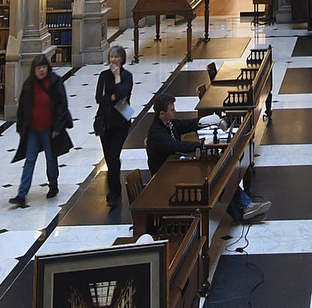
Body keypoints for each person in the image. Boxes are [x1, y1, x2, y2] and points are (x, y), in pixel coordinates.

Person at [146, 94, 271, 222]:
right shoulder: (156, 133)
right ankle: (244, 210)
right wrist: (201, 145)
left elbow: (188, 124)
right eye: (172, 110)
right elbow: (176, 145)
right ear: (162, 114)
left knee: (220, 176)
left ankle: (245, 208)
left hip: (176, 167)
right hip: (165, 177)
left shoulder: (169, 124)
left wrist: (211, 120)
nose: (175, 112)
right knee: (213, 180)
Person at [10, 54, 72, 205]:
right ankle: (22, 193)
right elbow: (23, 107)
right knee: (30, 159)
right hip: (33, 129)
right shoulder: (28, 84)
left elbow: (62, 105)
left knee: (51, 158)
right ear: (34, 70)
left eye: (44, 67)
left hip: (49, 128)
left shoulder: (54, 81)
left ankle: (53, 185)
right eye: (39, 68)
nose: (42, 70)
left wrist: (57, 127)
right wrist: (20, 126)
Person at [94, 44, 134, 208]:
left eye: (116, 57)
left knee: (113, 156)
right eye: (111, 56)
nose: (113, 59)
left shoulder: (127, 76)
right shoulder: (103, 76)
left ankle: (115, 193)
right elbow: (99, 98)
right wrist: (114, 97)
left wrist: (117, 78)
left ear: (122, 59)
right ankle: (113, 185)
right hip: (104, 122)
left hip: (121, 121)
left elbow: (123, 94)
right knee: (110, 158)